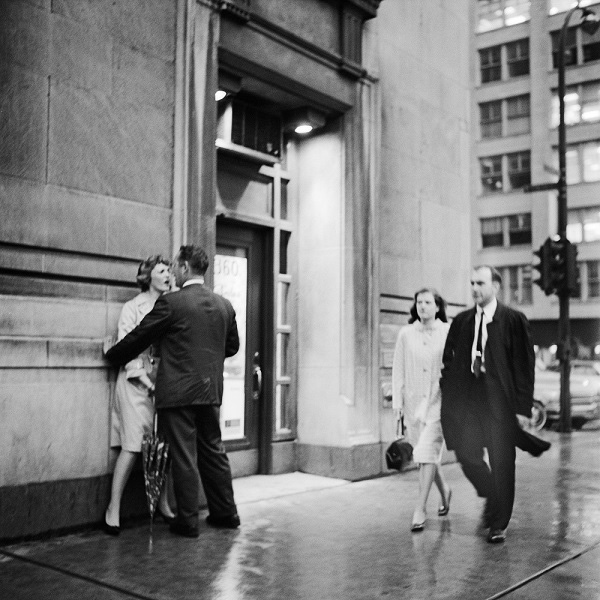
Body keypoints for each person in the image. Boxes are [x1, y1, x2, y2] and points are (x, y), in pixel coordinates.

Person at [105, 245, 240, 538]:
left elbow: (141, 336)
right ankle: (226, 513)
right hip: (211, 391)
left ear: (186, 268)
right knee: (213, 450)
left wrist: (114, 355)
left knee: (183, 456)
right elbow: (232, 348)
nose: (174, 272)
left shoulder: (173, 304)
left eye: (176, 267)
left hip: (178, 392)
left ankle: (187, 520)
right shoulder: (224, 305)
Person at [440, 265, 549, 544]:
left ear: (496, 286)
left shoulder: (513, 320)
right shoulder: (462, 321)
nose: (475, 288)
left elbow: (525, 367)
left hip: (500, 404)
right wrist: (448, 387)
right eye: (472, 283)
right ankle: (491, 492)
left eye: (480, 283)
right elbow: (449, 360)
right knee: (466, 453)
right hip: (470, 402)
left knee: (502, 462)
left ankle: (499, 523)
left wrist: (523, 409)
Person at [104, 255, 175, 535]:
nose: (168, 274)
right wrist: (149, 380)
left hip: (164, 383)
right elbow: (127, 348)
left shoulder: (172, 305)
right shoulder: (133, 308)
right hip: (135, 385)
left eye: (170, 269)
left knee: (164, 445)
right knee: (132, 445)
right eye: (161, 270)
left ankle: (163, 502)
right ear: (148, 277)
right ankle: (113, 508)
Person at [392, 288, 452, 532]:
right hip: (413, 404)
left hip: (440, 402)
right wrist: (397, 405)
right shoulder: (406, 334)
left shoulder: (448, 332)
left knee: (427, 451)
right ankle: (445, 491)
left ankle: (420, 508)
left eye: (428, 302)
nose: (423, 306)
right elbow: (398, 370)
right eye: (419, 302)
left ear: (437, 307)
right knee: (424, 457)